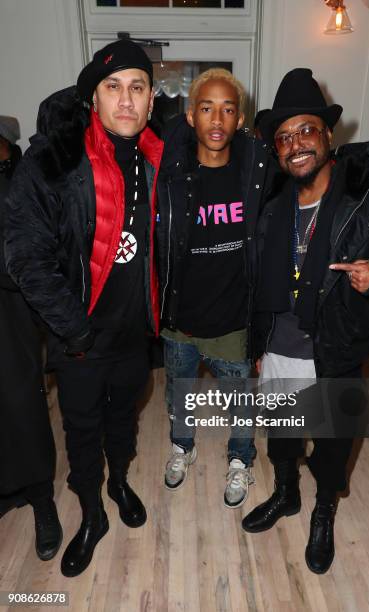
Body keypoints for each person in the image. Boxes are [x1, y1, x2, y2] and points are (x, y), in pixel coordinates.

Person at [241, 68, 369, 573]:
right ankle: (286, 494)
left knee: (331, 444)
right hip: (278, 345)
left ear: (327, 135)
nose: (295, 144)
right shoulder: (271, 202)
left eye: (305, 131)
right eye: (283, 137)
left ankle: (323, 511)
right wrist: (256, 344)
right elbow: (257, 279)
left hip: (336, 348)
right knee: (280, 433)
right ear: (276, 149)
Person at [5, 39, 164, 577]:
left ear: (150, 99)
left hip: (135, 336)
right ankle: (92, 512)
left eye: (136, 88)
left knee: (124, 419)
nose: (125, 101)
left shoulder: (159, 159)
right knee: (82, 431)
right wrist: (74, 330)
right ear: (92, 98)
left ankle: (119, 481)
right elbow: (25, 257)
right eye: (112, 88)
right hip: (81, 340)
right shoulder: (54, 160)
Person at [156, 69, 278, 508]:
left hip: (230, 323)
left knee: (239, 403)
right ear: (191, 115)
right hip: (179, 323)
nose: (217, 119)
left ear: (238, 117)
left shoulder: (256, 172)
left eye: (227, 109)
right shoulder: (167, 175)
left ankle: (241, 458)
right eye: (206, 107)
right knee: (180, 393)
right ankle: (181, 447)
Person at [0, 116, 61, 561]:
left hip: (12, 315)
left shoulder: (20, 186)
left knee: (22, 404)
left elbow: (28, 255)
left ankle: (42, 500)